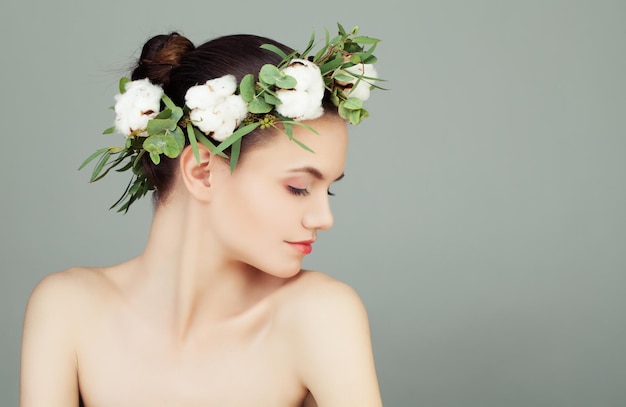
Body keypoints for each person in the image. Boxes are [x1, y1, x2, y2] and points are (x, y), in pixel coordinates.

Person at [20, 24, 383, 407]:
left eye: (329, 188)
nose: (324, 218)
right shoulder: (69, 310)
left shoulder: (318, 316)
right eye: (297, 187)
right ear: (202, 172)